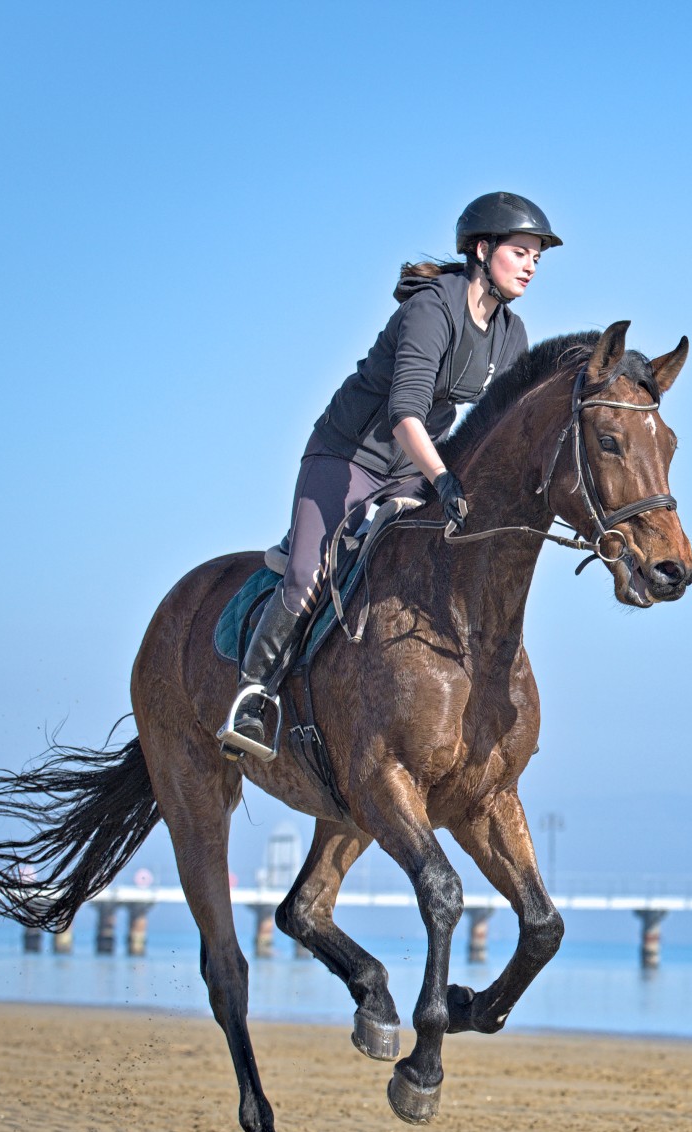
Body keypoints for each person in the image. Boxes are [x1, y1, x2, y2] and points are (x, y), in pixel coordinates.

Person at [216, 192, 563, 761]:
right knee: (309, 573)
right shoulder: (433, 307)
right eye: (520, 252)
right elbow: (405, 412)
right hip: (349, 454)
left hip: (414, 468)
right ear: (482, 249)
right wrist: (445, 479)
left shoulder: (512, 335)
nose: (530, 265)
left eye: (536, 258)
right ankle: (254, 698)